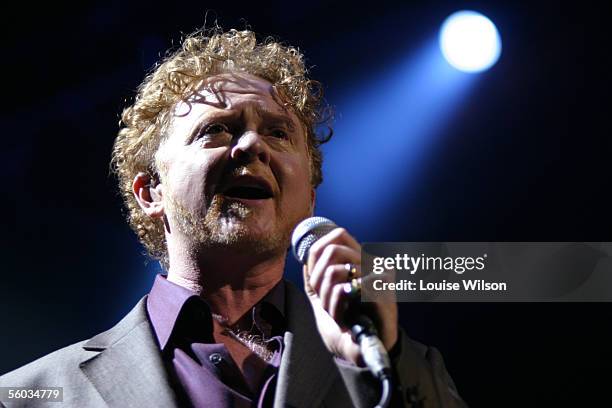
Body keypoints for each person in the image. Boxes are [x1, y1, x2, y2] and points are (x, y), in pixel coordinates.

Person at [0, 28, 467, 408]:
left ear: (310, 197)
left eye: (279, 133)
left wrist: (369, 370)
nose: (252, 146)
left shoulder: (400, 364)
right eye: (217, 130)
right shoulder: (31, 395)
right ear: (150, 191)